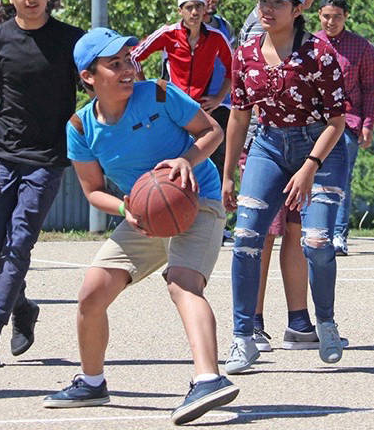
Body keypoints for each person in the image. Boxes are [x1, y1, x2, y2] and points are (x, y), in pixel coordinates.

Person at [43, 28, 238, 425]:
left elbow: (211, 131)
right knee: (91, 294)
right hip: (146, 212)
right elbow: (94, 190)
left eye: (129, 59)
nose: (127, 69)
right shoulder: (80, 128)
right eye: (114, 64)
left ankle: (208, 378)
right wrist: (125, 207)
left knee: (182, 282)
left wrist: (186, 159)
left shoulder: (160, 94)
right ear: (89, 76)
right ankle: (92, 381)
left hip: (198, 199)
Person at [222, 0, 348, 373]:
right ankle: (243, 337)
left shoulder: (319, 54)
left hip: (319, 147)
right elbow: (240, 117)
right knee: (244, 237)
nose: (267, 9)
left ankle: (324, 321)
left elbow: (337, 121)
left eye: (276, 3)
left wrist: (310, 167)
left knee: (315, 241)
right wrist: (228, 173)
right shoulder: (244, 53)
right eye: (263, 1)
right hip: (269, 144)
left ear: (297, 9)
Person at [0, 0, 84, 368]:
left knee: (19, 245)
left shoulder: (71, 40)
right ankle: (23, 307)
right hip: (3, 156)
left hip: (47, 158)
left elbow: (98, 91)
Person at [234, 0, 332, 354]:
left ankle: (299, 320)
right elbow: (244, 103)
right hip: (267, 142)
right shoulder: (264, 26)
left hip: (303, 144)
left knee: (296, 232)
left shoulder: (306, 36)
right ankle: (252, 324)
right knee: (260, 235)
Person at [315, 0, 374, 256]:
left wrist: (368, 124)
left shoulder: (361, 47)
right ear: (319, 15)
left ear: (346, 17)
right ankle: (316, 231)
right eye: (326, 16)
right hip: (313, 123)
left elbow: (372, 87)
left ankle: (338, 234)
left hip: (347, 122)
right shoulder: (309, 44)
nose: (331, 22)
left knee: (340, 178)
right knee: (311, 177)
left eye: (337, 17)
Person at [130, 0, 233, 109]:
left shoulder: (216, 37)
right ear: (180, 11)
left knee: (215, 129)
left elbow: (234, 68)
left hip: (198, 106)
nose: (194, 12)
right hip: (167, 102)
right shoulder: (167, 33)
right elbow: (132, 56)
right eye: (189, 7)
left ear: (204, 9)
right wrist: (144, 86)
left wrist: (219, 98)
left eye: (198, 6)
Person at [191, 0, 235, 173]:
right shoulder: (181, 32)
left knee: (220, 164)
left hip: (222, 106)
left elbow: (234, 67)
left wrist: (219, 98)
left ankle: (216, 203)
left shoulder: (224, 26)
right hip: (192, 109)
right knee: (193, 161)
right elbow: (165, 73)